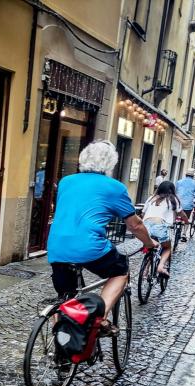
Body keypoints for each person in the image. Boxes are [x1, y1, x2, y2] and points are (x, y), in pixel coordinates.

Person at [47, 140, 158, 332]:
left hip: (57, 246)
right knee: (121, 270)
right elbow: (135, 225)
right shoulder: (114, 187)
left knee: (66, 297)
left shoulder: (66, 182)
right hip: (89, 246)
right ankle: (99, 319)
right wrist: (149, 242)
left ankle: (61, 349)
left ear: (83, 159)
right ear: (110, 163)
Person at [142, 181, 188, 276]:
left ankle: (145, 270)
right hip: (160, 225)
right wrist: (187, 221)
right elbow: (181, 213)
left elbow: (143, 213)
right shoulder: (173, 199)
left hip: (145, 226)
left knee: (152, 247)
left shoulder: (151, 198)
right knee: (167, 248)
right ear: (172, 190)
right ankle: (161, 266)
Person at [175, 169, 195, 241]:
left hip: (178, 203)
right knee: (187, 219)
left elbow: (175, 191)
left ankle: (175, 223)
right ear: (193, 176)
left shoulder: (179, 182)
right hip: (188, 205)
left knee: (177, 215)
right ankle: (184, 234)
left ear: (185, 175)